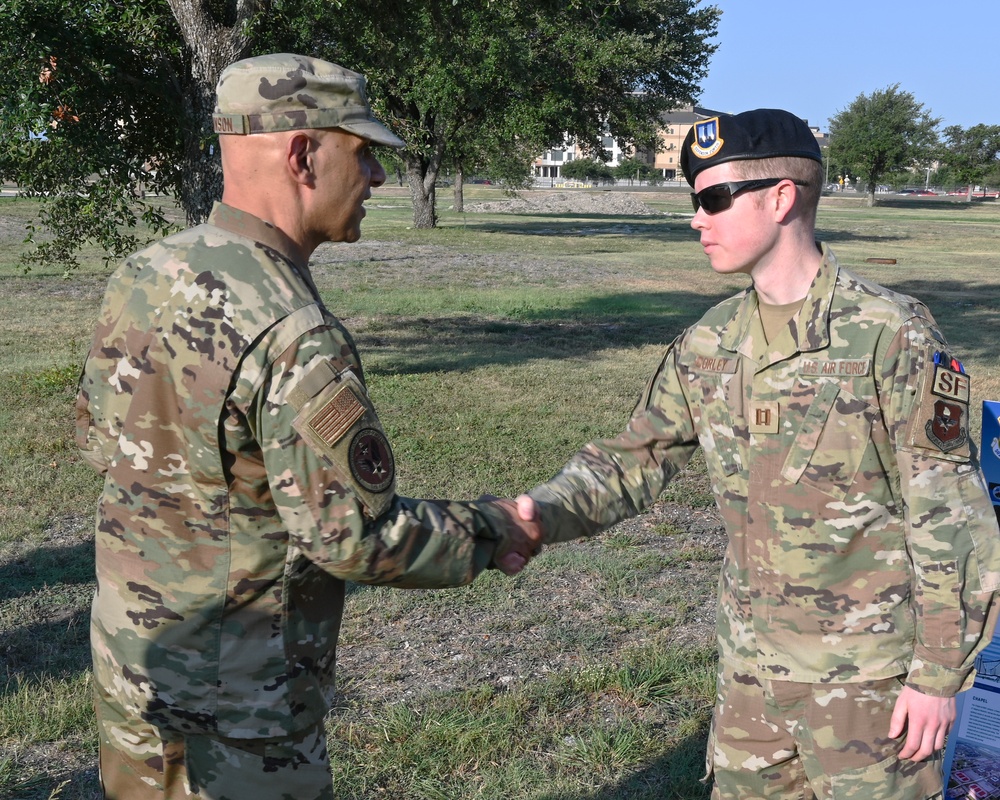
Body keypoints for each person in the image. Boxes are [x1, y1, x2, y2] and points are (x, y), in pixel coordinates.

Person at [75, 53, 541, 800]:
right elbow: (354, 537)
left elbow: (103, 443)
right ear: (301, 153)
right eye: (362, 154)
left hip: (136, 674)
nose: (379, 180)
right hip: (239, 714)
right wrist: (495, 530)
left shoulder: (145, 273)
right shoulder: (292, 331)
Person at [515, 108, 1000, 799]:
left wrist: (937, 676)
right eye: (694, 200)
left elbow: (951, 517)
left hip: (868, 686)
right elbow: (634, 460)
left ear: (782, 198)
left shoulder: (890, 336)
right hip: (750, 676)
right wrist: (537, 514)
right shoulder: (709, 343)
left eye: (714, 198)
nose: (696, 218)